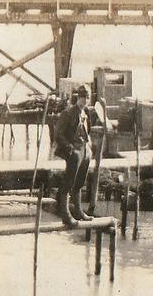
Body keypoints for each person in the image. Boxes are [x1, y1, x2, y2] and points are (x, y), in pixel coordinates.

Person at [54, 85, 95, 227]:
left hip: (84, 150)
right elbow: (58, 134)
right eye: (82, 98)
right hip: (73, 151)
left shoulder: (86, 113)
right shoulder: (68, 113)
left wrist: (89, 147)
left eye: (87, 98)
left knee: (79, 183)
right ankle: (66, 215)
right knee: (68, 183)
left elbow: (86, 133)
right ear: (78, 98)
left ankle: (78, 212)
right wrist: (69, 148)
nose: (84, 101)